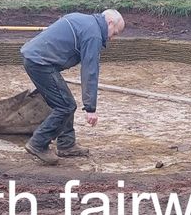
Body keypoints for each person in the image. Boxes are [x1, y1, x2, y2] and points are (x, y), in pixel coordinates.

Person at [19, 9, 126, 164]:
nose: (112, 38)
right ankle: (38, 143)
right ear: (109, 23)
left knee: (66, 102)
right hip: (41, 63)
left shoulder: (82, 19)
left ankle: (66, 144)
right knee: (65, 106)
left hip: (36, 58)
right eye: (114, 33)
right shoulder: (94, 34)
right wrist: (90, 108)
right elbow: (90, 71)